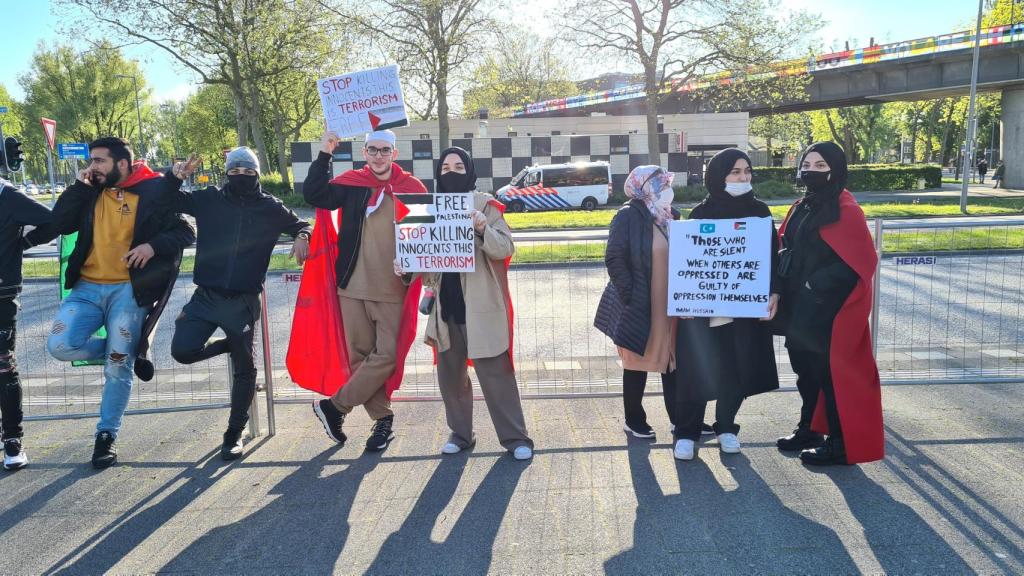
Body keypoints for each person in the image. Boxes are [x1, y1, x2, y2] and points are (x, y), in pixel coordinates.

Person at [47, 137, 195, 469]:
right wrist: (77, 187)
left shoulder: (153, 190)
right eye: (92, 161)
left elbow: (185, 231)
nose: (92, 167)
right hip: (86, 288)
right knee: (59, 345)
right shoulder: (89, 191)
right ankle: (128, 352)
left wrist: (152, 247)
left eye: (99, 161)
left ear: (122, 164)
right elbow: (59, 224)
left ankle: (106, 436)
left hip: (128, 291)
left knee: (117, 368)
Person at [166, 148, 311, 460]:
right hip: (205, 296)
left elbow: (303, 223)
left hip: (243, 301)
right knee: (182, 351)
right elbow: (171, 200)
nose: (241, 176)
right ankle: (229, 345)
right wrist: (174, 176)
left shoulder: (270, 207)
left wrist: (303, 236)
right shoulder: (208, 199)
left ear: (257, 174)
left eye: (248, 172)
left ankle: (234, 434)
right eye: (235, 171)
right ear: (226, 173)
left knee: (246, 369)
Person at [304, 130, 425, 452]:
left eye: (385, 150)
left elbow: (425, 240)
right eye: (373, 150)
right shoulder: (352, 184)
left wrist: (413, 270)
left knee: (386, 357)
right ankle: (382, 421)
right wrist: (325, 153)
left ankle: (334, 407)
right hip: (352, 285)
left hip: (393, 288)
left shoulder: (412, 189)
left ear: (394, 154)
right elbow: (314, 195)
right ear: (365, 152)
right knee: (359, 357)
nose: (378, 155)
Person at [420, 147, 533, 460]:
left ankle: (516, 438)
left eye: (458, 166)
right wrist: (406, 266)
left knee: (496, 374)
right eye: (446, 166)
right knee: (450, 377)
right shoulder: (428, 209)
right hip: (446, 308)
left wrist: (483, 228)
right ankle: (460, 434)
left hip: (481, 306)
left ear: (469, 171)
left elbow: (505, 247)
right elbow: (421, 257)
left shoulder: (486, 204)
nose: (452, 171)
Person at [775, 141, 883, 466]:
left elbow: (860, 262)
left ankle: (840, 444)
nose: (811, 171)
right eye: (807, 165)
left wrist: (815, 282)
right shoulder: (802, 206)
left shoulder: (846, 209)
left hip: (827, 312)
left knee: (830, 377)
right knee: (805, 373)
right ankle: (809, 429)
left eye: (820, 166)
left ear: (835, 169)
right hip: (799, 309)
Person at [672, 149, 781, 461]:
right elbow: (687, 263)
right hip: (704, 314)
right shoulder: (701, 214)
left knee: (736, 370)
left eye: (746, 171)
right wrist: (685, 298)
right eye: (735, 172)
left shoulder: (760, 212)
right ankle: (687, 432)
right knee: (698, 371)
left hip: (745, 311)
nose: (742, 177)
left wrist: (774, 291)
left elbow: (772, 257)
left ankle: (727, 428)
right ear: (719, 175)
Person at [595, 165, 689, 439]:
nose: (666, 189)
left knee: (671, 360)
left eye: (665, 183)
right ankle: (634, 419)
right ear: (642, 188)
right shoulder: (628, 216)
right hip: (641, 303)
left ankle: (678, 418)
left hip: (670, 303)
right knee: (637, 361)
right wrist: (630, 295)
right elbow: (614, 257)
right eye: (659, 184)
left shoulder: (668, 217)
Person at [0, 178, 55, 470]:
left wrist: (25, 243)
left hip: (1, 294)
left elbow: (54, 221)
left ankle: (12, 440)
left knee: (3, 367)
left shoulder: (8, 196)